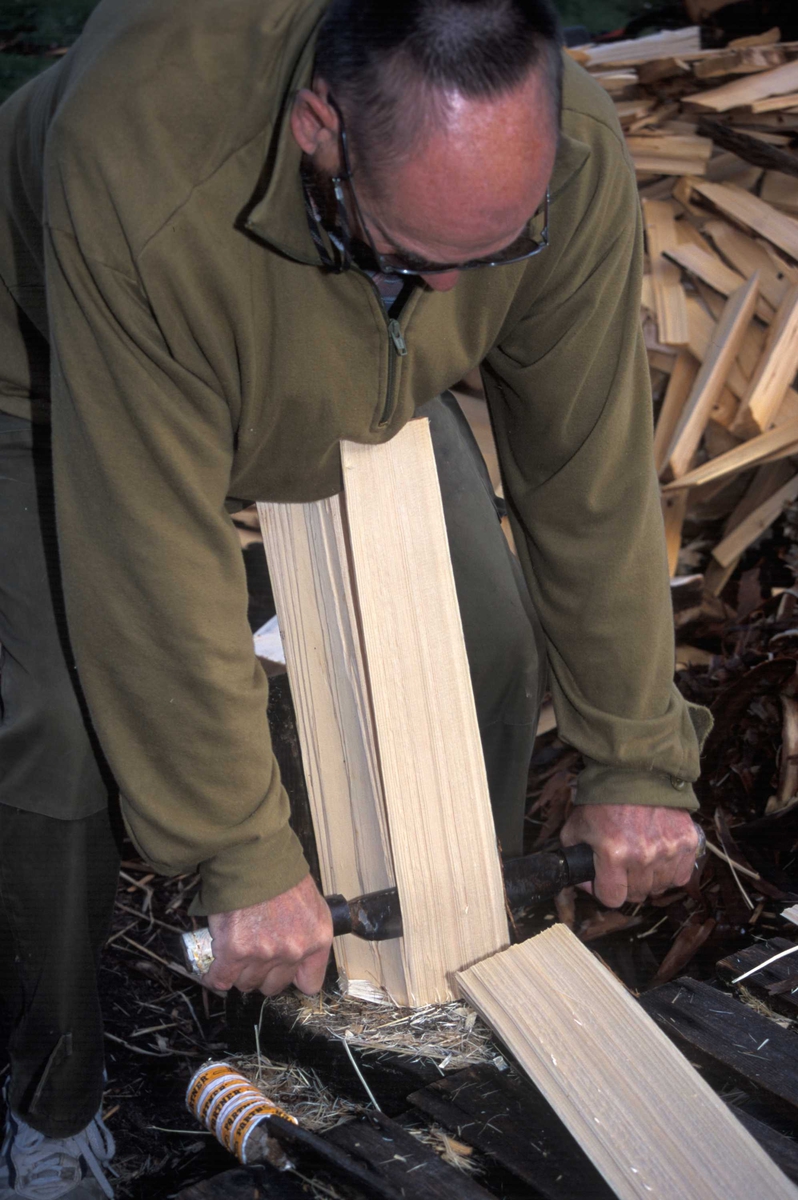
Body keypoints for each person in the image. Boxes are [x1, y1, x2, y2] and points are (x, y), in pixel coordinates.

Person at [0, 0, 709, 1194]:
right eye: (415, 247)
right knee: (60, 736)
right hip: (52, 380)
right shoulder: (148, 161)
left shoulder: (558, 155)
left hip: (351, 361)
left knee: (483, 642)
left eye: (490, 253)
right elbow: (148, 548)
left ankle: (430, 992)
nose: (455, 286)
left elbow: (585, 472)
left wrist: (637, 759)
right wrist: (239, 851)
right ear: (319, 127)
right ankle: (50, 1100)